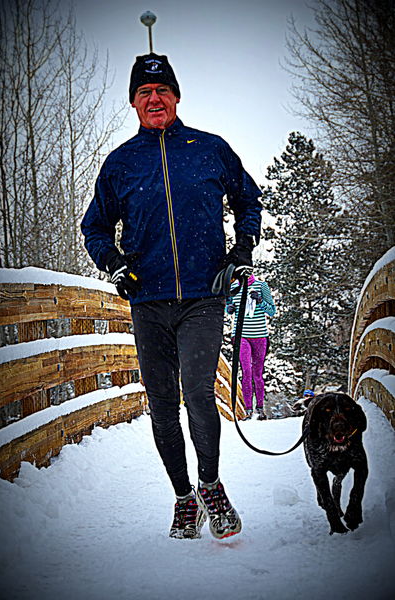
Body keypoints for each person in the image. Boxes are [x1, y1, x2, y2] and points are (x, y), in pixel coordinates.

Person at [81, 53, 262, 540]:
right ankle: (184, 497)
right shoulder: (120, 164)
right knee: (162, 403)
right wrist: (114, 264)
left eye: (162, 91)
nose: (154, 99)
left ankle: (211, 486)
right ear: (135, 104)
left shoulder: (209, 150)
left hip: (203, 296)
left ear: (177, 96)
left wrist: (240, 251)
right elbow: (94, 227)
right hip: (148, 301)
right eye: (144, 93)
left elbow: (248, 201)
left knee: (200, 394)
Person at [227, 274, 275, 420]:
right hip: (241, 335)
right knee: (246, 371)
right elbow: (228, 306)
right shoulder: (233, 288)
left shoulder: (261, 286)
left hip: (260, 335)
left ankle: (260, 409)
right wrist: (229, 309)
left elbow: (272, 311)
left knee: (257, 373)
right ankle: (248, 410)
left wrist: (260, 301)